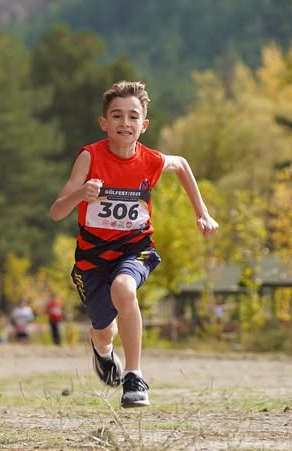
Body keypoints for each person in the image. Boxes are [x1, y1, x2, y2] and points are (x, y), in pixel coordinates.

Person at [49, 80, 218, 408]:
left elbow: (181, 165)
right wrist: (80, 194)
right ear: (104, 123)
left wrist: (203, 213)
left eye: (132, 116)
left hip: (135, 248)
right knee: (104, 331)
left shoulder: (150, 160)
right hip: (92, 258)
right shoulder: (89, 157)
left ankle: (134, 376)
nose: (124, 122)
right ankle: (103, 351)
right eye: (116, 115)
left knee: (124, 289)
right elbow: (57, 212)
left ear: (144, 125)